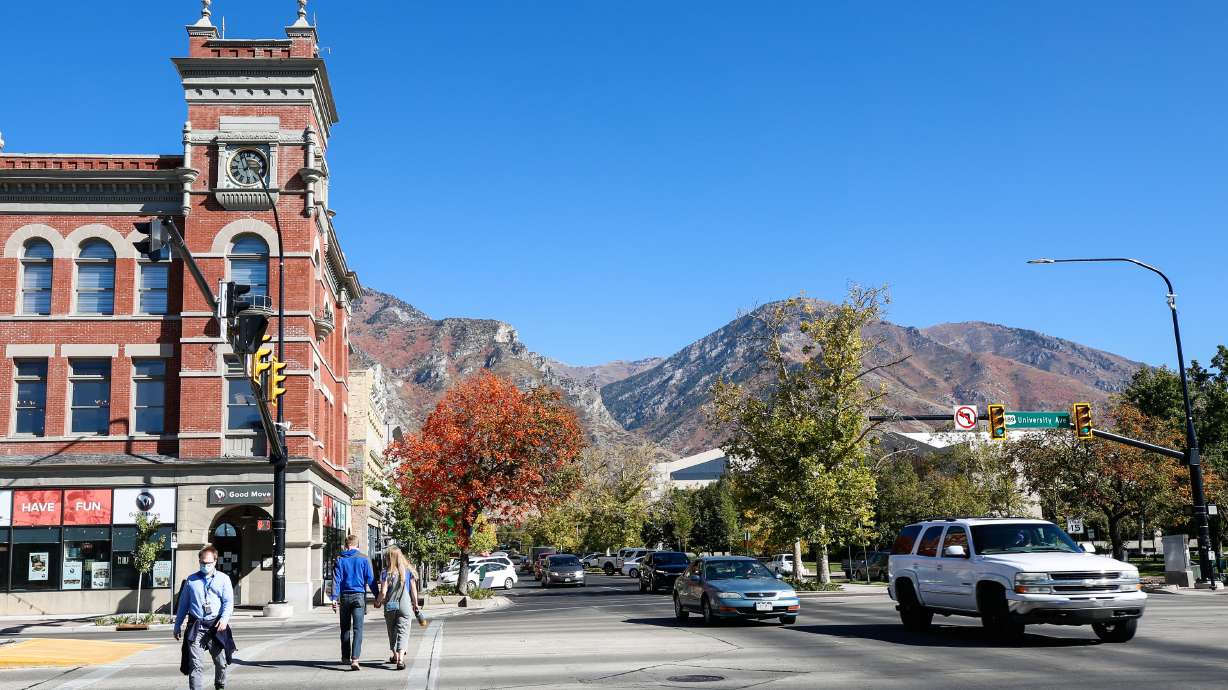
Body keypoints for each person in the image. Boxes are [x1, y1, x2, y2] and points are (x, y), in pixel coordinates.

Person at [174, 545, 237, 690]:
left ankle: (219, 685)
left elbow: (228, 603)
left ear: (215, 561)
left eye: (208, 563)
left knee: (221, 663)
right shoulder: (191, 580)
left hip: (216, 627)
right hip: (197, 627)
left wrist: (224, 619)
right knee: (196, 666)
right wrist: (177, 625)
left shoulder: (223, 579)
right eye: (202, 562)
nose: (205, 565)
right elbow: (183, 605)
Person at [330, 534, 377, 671]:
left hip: (344, 597)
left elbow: (336, 580)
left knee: (345, 628)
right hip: (359, 596)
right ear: (357, 545)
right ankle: (355, 659)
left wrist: (334, 598)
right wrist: (378, 597)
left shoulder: (340, 559)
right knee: (358, 629)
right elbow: (371, 580)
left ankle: (345, 657)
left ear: (346, 546)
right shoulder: (364, 559)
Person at [373, 546, 422, 670]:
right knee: (403, 631)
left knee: (392, 630)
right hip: (405, 605)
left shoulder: (386, 572)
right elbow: (413, 590)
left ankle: (394, 654)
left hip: (390, 605)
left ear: (389, 558)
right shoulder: (408, 571)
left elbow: (383, 592)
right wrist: (416, 604)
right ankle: (400, 659)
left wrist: (378, 602)